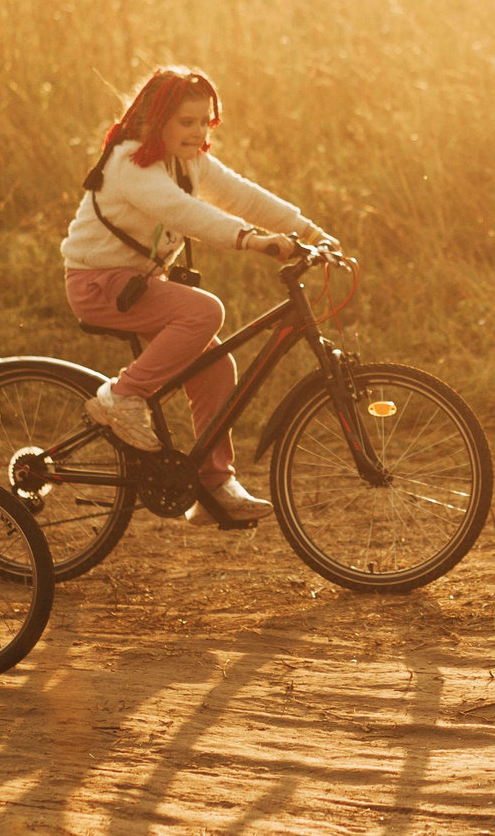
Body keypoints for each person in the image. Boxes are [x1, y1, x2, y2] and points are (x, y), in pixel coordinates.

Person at [61, 64, 325, 527]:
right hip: (98, 284)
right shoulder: (130, 162)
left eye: (205, 121)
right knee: (206, 311)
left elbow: (241, 195)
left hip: (139, 287)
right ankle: (121, 398)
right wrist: (254, 241)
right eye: (186, 121)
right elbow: (183, 212)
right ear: (156, 118)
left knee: (217, 366)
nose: (199, 131)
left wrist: (306, 229)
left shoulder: (189, 161)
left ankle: (213, 486)